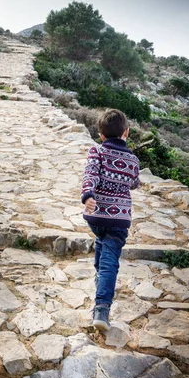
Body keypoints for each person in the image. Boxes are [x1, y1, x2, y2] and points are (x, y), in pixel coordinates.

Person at [81, 109, 140, 331]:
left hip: (95, 216)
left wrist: (88, 196)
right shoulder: (132, 159)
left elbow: (90, 175)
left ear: (101, 135)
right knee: (109, 263)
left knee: (101, 242)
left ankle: (100, 283)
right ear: (126, 132)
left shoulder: (96, 151)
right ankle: (102, 310)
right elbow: (134, 183)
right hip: (119, 219)